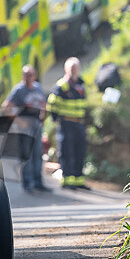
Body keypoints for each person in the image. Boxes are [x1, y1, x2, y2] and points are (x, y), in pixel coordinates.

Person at [2, 65, 50, 193]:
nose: (29, 78)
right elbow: (6, 107)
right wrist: (19, 121)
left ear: (35, 76)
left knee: (38, 154)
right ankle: (28, 182)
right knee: (27, 155)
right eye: (27, 75)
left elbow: (43, 104)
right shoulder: (19, 90)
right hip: (25, 128)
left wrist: (43, 118)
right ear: (23, 76)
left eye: (31, 75)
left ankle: (38, 182)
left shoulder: (38, 88)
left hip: (36, 126)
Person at [47, 57, 90, 190]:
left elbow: (84, 106)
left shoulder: (81, 85)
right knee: (67, 152)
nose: (74, 71)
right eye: (71, 69)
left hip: (79, 124)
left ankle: (78, 180)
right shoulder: (62, 86)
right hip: (66, 123)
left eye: (75, 68)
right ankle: (67, 180)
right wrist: (57, 120)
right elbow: (52, 105)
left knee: (79, 151)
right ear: (66, 70)